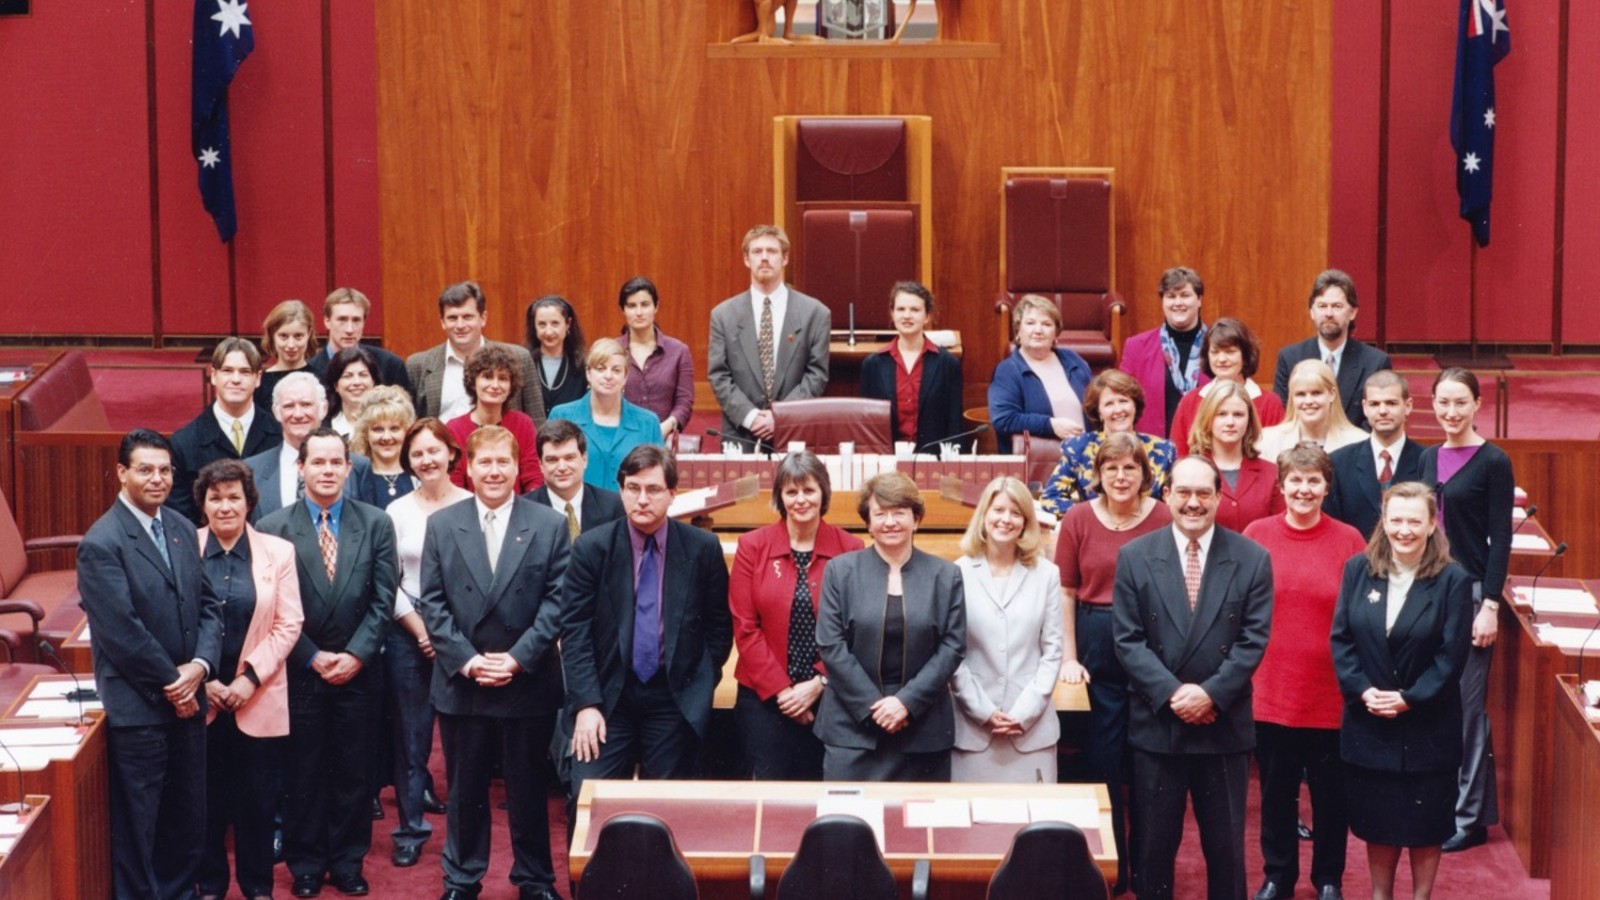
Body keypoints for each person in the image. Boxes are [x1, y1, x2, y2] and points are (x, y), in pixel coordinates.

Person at [1112, 455, 1275, 900]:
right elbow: (1127, 640)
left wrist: (1210, 695)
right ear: (1166, 495)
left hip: (1222, 726)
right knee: (1152, 854)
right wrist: (1174, 694)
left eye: (1204, 493)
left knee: (1227, 856)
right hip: (1157, 726)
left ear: (1219, 498)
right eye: (1183, 492)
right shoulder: (1134, 557)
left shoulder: (1252, 558)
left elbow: (1253, 640)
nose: (1193, 502)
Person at [417, 425, 569, 900]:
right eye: (485, 462)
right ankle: (462, 879)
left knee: (528, 790)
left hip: (526, 679)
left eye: (504, 462)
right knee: (465, 791)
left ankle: (535, 879)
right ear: (468, 467)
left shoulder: (549, 524)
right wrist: (467, 661)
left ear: (518, 467)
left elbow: (557, 602)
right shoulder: (443, 525)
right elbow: (432, 603)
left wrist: (519, 659)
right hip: (464, 681)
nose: (495, 471)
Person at [78, 429, 222, 900]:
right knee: (141, 830)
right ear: (122, 473)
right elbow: (122, 631)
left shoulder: (180, 526)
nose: (157, 479)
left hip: (189, 697)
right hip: (140, 709)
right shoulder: (102, 542)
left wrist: (200, 666)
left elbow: (209, 606)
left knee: (187, 819)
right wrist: (173, 685)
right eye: (145, 470)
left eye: (165, 470)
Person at [257, 427, 397, 899]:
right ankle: (307, 865)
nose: (328, 470)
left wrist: (356, 654)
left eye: (336, 461)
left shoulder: (376, 523)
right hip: (301, 670)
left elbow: (383, 600)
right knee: (304, 772)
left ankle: (348, 862)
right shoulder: (273, 527)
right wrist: (312, 656)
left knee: (355, 772)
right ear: (301, 468)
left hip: (359, 671)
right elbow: (271, 608)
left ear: (349, 467)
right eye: (317, 462)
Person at [561, 445, 733, 797]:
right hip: (608, 695)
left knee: (668, 805)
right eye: (633, 488)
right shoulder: (592, 548)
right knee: (589, 798)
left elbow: (719, 629)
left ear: (673, 493)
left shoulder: (702, 549)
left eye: (653, 489)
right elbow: (575, 633)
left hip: (672, 697)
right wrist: (587, 704)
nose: (642, 499)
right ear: (621, 490)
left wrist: (697, 685)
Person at [1330, 482, 1473, 899]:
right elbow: (1341, 639)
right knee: (1380, 823)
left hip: (1428, 726)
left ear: (1432, 524)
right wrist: (1362, 691)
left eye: (1414, 521)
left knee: (1426, 825)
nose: (1404, 530)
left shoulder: (1453, 580)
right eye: (1396, 520)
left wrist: (1410, 699)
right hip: (1371, 722)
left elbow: (1451, 657)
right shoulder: (1358, 570)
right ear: (1383, 521)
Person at [1242, 444, 1367, 900]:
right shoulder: (1257, 534)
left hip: (1331, 690)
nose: (1304, 489)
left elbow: (1361, 613)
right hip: (1273, 688)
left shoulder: (1350, 540)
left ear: (1327, 487)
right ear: (1281, 485)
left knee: (1331, 795)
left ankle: (1328, 878)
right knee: (1276, 792)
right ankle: (1278, 876)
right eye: (1295, 480)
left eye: (1313, 480)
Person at [1056, 431, 1173, 893]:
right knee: (1103, 759)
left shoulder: (1162, 515)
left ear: (1145, 473)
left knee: (1147, 764)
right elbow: (1066, 592)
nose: (1121, 477)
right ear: (1097, 474)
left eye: (1129, 468)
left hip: (1151, 641)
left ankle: (1148, 870)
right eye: (1111, 469)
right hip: (1096, 641)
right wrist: (1069, 656)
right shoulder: (1078, 518)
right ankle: (1113, 868)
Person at [192, 460, 305, 900]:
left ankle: (258, 888)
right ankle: (210, 887)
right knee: (206, 801)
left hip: (256, 697)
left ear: (249, 502)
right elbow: (174, 623)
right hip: (200, 696)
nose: (225, 507)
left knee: (258, 802)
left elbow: (288, 624)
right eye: (215, 498)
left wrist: (248, 680)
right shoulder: (184, 548)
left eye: (233, 497)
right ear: (203, 504)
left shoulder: (278, 552)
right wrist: (203, 681)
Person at [814, 471, 966, 781]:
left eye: (899, 512)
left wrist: (906, 703)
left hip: (922, 728)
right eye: (880, 514)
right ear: (868, 523)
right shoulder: (840, 572)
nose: (890, 522)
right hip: (852, 728)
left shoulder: (945, 575)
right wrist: (875, 707)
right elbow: (831, 645)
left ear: (916, 519)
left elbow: (952, 647)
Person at [1419, 367, 1513, 854]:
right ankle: (1441, 804)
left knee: (1467, 709)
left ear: (1478, 404)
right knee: (1433, 701)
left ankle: (1470, 817)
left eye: (1460, 402)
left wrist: (1490, 605)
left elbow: (1501, 540)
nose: (1451, 412)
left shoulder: (1493, 461)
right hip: (1428, 592)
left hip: (1471, 593)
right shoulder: (1426, 457)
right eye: (1443, 402)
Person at [729, 451, 863, 780]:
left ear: (824, 493)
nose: (800, 500)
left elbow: (854, 629)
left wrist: (818, 683)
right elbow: (745, 627)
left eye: (809, 490)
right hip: (765, 698)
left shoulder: (851, 548)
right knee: (770, 796)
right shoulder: (752, 546)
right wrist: (784, 692)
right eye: (791, 492)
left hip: (830, 696)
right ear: (780, 497)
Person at [382, 418, 471, 869]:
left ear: (452, 453)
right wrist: (420, 630)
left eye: (434, 450)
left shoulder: (472, 503)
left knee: (462, 740)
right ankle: (411, 830)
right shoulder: (396, 510)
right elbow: (388, 580)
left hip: (462, 630)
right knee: (411, 738)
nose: (426, 460)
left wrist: (447, 635)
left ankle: (464, 833)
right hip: (408, 629)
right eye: (417, 453)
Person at [950, 476, 1063, 782]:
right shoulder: (957, 572)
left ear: (1026, 522)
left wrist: (1024, 713)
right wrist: (983, 711)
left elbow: (1053, 651)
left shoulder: (1047, 574)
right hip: (973, 732)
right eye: (998, 510)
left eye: (1016, 513)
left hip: (1031, 732)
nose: (1006, 519)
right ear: (984, 515)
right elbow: (953, 654)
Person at [707, 224, 831, 449]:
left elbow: (816, 375)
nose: (764, 258)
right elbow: (719, 376)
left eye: (772, 251)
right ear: (747, 259)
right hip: (742, 434)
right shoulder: (723, 315)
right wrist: (751, 417)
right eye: (757, 251)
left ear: (785, 258)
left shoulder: (815, 313)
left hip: (795, 434)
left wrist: (780, 416)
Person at [170, 337, 282, 523]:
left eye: (245, 372)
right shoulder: (183, 443)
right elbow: (182, 519)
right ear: (214, 375)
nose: (236, 380)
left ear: (258, 378)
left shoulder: (280, 435)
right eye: (227, 371)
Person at [1041, 369, 1177, 517]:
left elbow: (1174, 499)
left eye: (1123, 401)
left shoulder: (1163, 450)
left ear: (1135, 406)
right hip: (1096, 529)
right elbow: (1051, 498)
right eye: (1109, 404)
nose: (1118, 410)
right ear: (1099, 412)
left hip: (1148, 528)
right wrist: (1093, 518)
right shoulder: (1078, 448)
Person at [407, 280, 545, 424]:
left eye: (468, 317)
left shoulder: (519, 358)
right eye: (452, 318)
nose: (460, 325)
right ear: (442, 322)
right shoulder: (418, 365)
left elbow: (537, 421)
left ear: (483, 318)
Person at [246, 372, 378, 520]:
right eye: (289, 406)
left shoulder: (358, 467)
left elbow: (367, 525)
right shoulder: (252, 470)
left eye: (306, 404)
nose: (298, 414)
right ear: (276, 412)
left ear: (323, 409)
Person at [1273, 269, 1393, 430]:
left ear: (1352, 312)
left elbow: (1376, 420)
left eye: (1337, 306)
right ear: (1312, 312)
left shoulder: (1375, 362)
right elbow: (1284, 417)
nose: (1329, 314)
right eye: (1322, 306)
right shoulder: (1290, 358)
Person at [859, 281, 964, 451]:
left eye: (915, 310)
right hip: (887, 459)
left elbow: (954, 424)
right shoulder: (873, 365)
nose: (907, 316)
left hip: (933, 460)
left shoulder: (947, 364)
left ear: (927, 316)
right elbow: (866, 425)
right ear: (892, 314)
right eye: (901, 309)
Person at [1326, 370, 1427, 540]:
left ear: (1408, 406)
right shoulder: (1338, 462)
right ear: (1365, 407)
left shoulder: (1427, 460)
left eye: (1391, 403)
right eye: (1374, 404)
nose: (1382, 411)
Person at [547, 338, 660, 489]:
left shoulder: (648, 422)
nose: (608, 376)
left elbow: (658, 477)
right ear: (588, 373)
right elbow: (548, 470)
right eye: (601, 369)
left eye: (616, 370)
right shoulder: (562, 416)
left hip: (629, 504)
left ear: (625, 377)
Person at [988, 294, 1091, 452]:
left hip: (1087, 453)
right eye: (1030, 323)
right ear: (1018, 330)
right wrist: (1051, 425)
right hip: (1042, 460)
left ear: (1056, 333)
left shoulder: (1073, 360)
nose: (1038, 330)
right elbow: (1003, 419)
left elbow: (1096, 401)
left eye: (1046, 324)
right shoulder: (1007, 370)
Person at [1168, 317, 1285, 456]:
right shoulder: (1190, 401)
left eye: (1230, 352)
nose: (1221, 359)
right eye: (1215, 352)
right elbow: (1178, 455)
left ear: (1246, 355)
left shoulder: (1270, 403)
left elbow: (1277, 456)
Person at [1119, 266, 1211, 437]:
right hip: (1153, 447)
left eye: (1185, 295)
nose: (1178, 303)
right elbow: (1122, 399)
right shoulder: (1137, 347)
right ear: (1163, 302)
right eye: (1171, 296)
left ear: (1199, 300)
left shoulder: (1218, 344)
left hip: (1207, 445)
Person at [445, 344, 545, 493]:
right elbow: (455, 485)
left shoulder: (523, 424)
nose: (495, 385)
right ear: (473, 382)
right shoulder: (454, 429)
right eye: (487, 376)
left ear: (511, 386)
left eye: (503, 378)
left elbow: (534, 478)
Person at [1191, 380, 1285, 532]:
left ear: (1249, 420)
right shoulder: (1189, 472)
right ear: (1208, 418)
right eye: (1221, 414)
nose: (1230, 422)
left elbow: (1279, 532)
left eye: (1238, 415)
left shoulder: (1271, 473)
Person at [618, 276, 695, 440]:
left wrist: (663, 429)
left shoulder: (679, 351)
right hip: (620, 439)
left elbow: (684, 403)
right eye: (632, 306)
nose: (639, 312)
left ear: (656, 307)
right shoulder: (612, 351)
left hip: (663, 440)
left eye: (645, 305)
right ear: (623, 310)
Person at [525, 418, 626, 538]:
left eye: (569, 458)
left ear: (584, 459)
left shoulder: (614, 506)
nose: (562, 467)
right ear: (541, 465)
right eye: (552, 460)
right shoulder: (524, 511)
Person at [306, 286, 413, 395]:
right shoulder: (309, 372)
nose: (350, 329)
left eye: (356, 320)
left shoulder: (390, 365)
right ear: (327, 321)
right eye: (342, 320)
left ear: (364, 322)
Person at [1257, 359, 1367, 461]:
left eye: (1316, 393)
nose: (1308, 401)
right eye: (1301, 394)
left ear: (1332, 394)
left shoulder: (1360, 443)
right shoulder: (1267, 442)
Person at [349, 385, 417, 509]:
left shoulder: (418, 475)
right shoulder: (354, 478)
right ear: (365, 433)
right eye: (378, 429)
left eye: (394, 428)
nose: (386, 437)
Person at [524, 294, 589, 413]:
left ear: (568, 324)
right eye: (542, 324)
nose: (548, 332)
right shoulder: (523, 363)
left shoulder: (582, 365)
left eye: (555, 324)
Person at [258, 298, 319, 409]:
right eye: (283, 336)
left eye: (298, 336)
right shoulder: (260, 383)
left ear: (309, 334)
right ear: (272, 335)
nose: (291, 345)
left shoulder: (320, 379)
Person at [322, 346, 377, 438]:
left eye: (363, 375)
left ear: (373, 381)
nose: (356, 382)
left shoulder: (388, 423)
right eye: (348, 376)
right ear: (336, 385)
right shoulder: (322, 427)